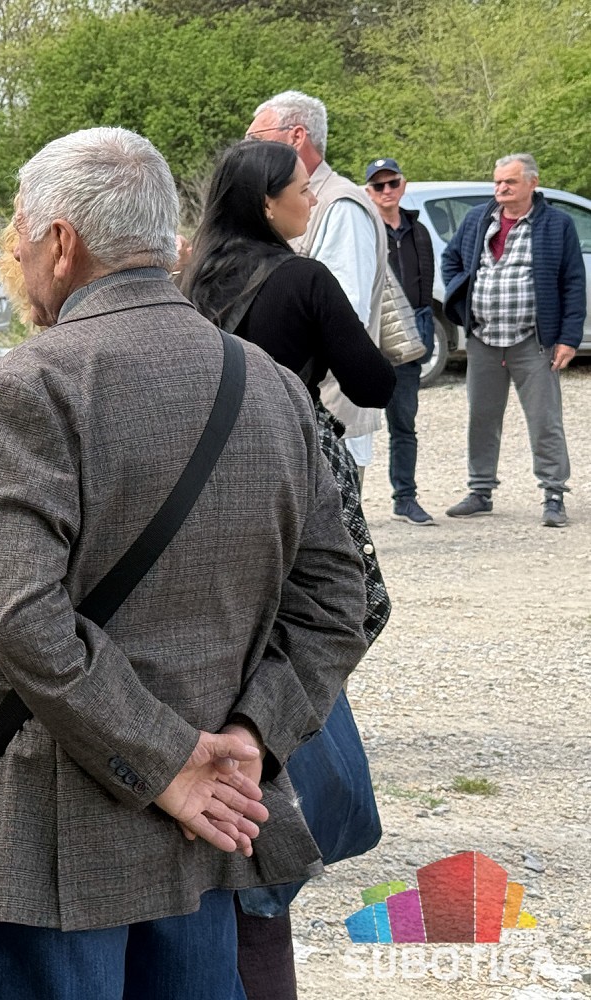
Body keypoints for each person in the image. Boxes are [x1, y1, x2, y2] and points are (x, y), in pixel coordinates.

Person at [0, 125, 370, 1000]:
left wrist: (178, 763)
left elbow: (22, 618)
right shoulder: (271, 382)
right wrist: (250, 736)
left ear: (62, 242)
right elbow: (342, 599)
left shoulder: (29, 384)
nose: (17, 254)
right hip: (216, 810)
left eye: (21, 232)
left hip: (67, 820)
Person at [181, 139, 394, 1000]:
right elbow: (373, 383)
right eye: (302, 189)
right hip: (288, 478)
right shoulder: (303, 281)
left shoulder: (188, 284)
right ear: (267, 202)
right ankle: (281, 795)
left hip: (195, 500)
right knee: (318, 630)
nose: (313, 200)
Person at [248, 91, 387, 486]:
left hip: (328, 416)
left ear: (297, 136)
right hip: (290, 411)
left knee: (332, 524)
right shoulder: (282, 203)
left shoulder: (339, 205)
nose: (248, 147)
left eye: (256, 138)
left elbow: (346, 315)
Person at [441, 153, 584, 527]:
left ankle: (554, 494)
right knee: (482, 418)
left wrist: (568, 338)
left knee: (544, 419)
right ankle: (480, 491)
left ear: (533, 183)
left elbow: (573, 282)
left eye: (510, 182)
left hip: (533, 340)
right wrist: (460, 295)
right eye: (498, 182)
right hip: (483, 337)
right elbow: (451, 259)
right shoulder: (478, 219)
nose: (501, 188)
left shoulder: (556, 224)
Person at [363, 156, 438, 525]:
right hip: (369, 339)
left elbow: (426, 286)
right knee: (352, 426)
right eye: (379, 186)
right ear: (369, 192)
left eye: (392, 183)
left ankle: (405, 498)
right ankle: (342, 505)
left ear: (403, 185)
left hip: (408, 342)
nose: (387, 191)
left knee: (404, 425)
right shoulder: (364, 230)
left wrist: (424, 330)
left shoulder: (418, 230)